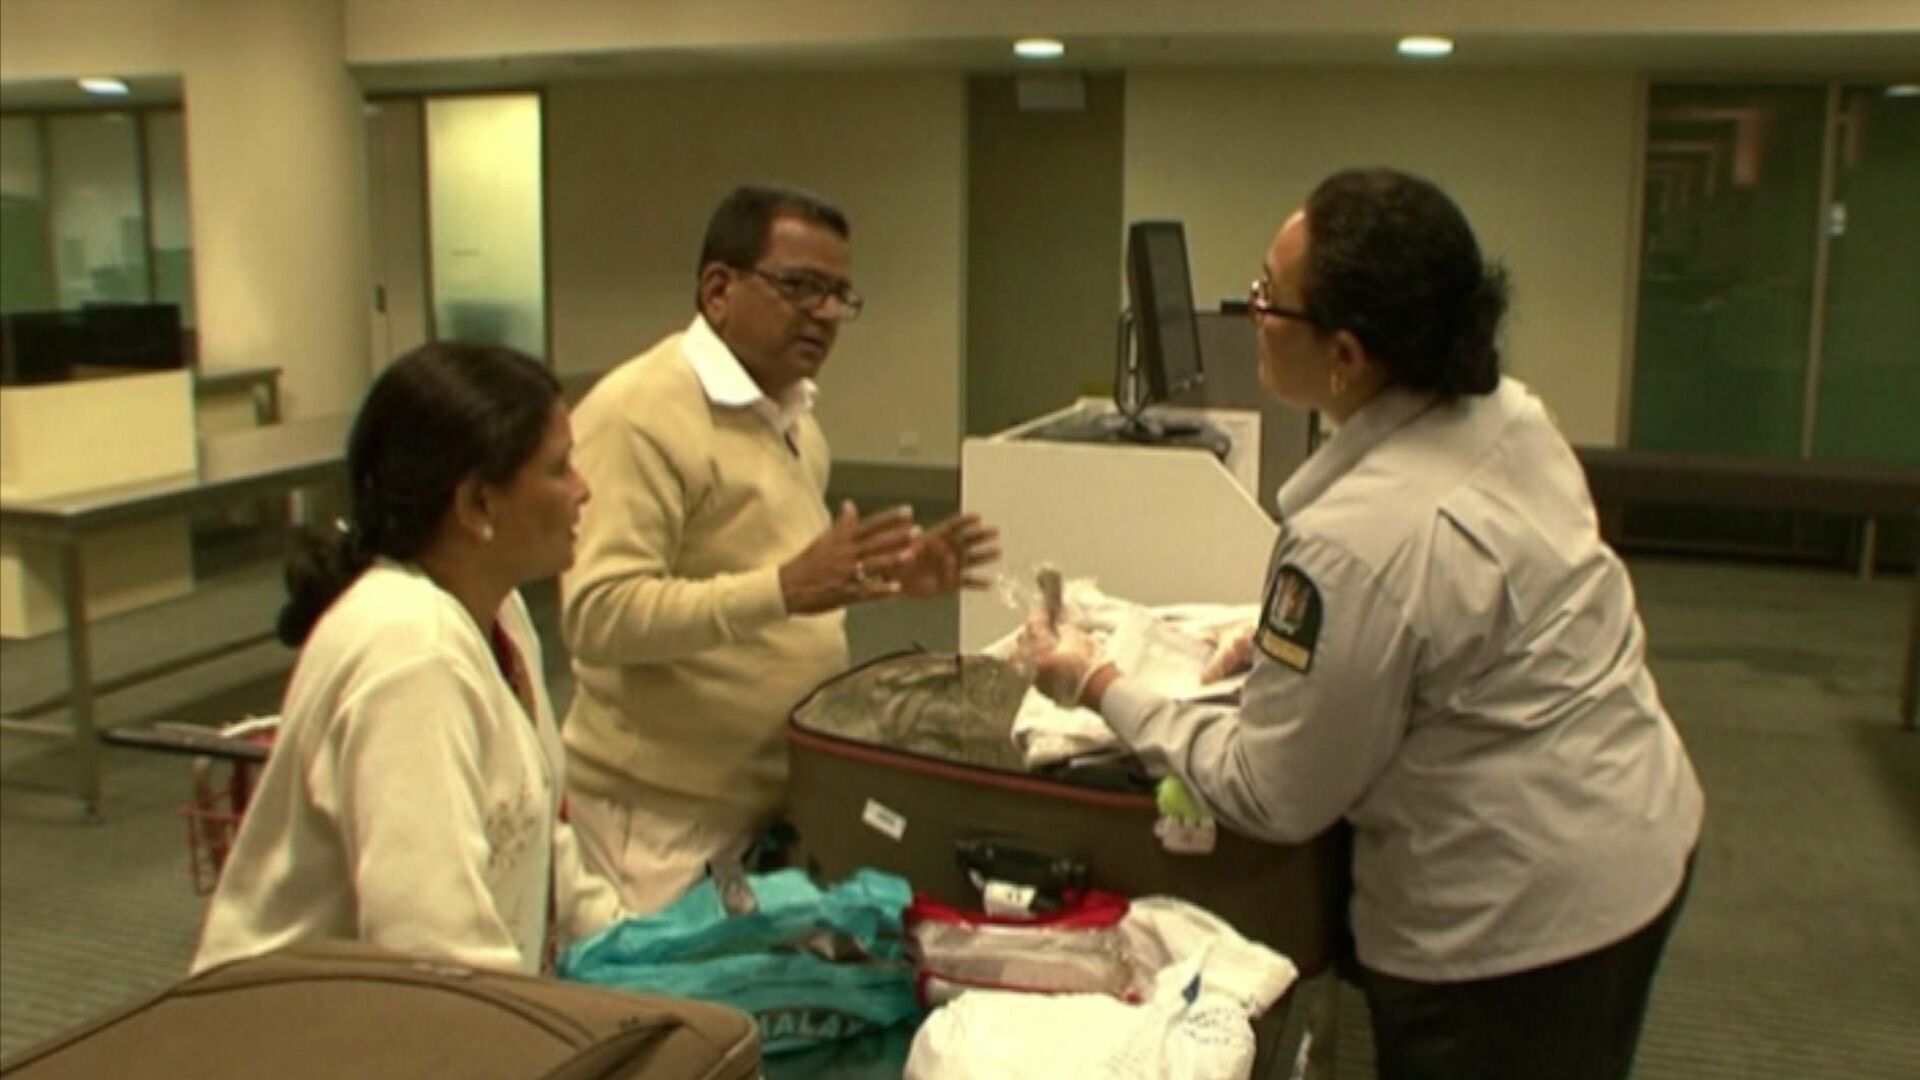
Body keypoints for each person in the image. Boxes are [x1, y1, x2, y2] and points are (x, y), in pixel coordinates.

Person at [1023, 168, 1704, 1080]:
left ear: (1345, 354)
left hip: (1508, 935)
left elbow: (1274, 790)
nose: (1252, 312)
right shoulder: (1512, 416)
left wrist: (1097, 683)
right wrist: (1298, 651)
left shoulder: (1353, 541)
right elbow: (1470, 614)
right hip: (1640, 829)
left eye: (1268, 297)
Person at [561, 184, 999, 913]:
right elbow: (598, 615)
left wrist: (885, 576)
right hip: (662, 820)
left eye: (839, 295)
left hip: (766, 801)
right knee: (671, 987)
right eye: (799, 287)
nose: (824, 313)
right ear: (718, 289)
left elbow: (774, 578)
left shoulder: (792, 416)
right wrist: (785, 589)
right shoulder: (638, 415)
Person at [193, 342, 623, 975]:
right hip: (308, 1023)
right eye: (560, 469)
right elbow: (433, 954)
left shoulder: (497, 610)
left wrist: (631, 948)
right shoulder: (412, 656)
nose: (583, 491)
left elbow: (534, 836)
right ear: (477, 505)